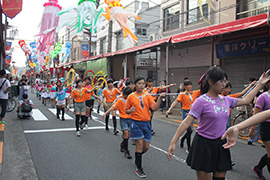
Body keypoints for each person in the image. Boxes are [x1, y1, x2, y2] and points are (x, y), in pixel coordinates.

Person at [167, 67, 270, 180]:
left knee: (220, 178)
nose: (224, 84)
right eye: (221, 81)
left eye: (225, 81)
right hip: (203, 144)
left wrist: (259, 84)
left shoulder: (226, 99)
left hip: (221, 144)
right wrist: (173, 142)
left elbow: (246, 100)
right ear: (210, 81)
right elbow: (187, 122)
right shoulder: (201, 101)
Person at [125, 77, 166, 178]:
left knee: (146, 147)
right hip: (136, 123)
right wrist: (131, 110)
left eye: (143, 84)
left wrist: (160, 98)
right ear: (135, 85)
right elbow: (126, 110)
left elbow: (154, 108)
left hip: (146, 123)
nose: (141, 85)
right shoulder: (131, 96)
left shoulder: (147, 96)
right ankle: (139, 168)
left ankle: (137, 157)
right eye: (139, 83)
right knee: (139, 145)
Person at [166, 79, 201, 153]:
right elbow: (176, 101)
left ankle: (182, 139)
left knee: (190, 131)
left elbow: (204, 91)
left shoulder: (194, 93)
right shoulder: (182, 94)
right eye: (188, 85)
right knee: (189, 129)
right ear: (185, 86)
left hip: (193, 112)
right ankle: (189, 147)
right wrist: (169, 109)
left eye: (190, 84)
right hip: (185, 112)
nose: (190, 86)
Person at [246, 80, 270, 180]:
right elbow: (256, 115)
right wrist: (253, 129)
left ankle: (258, 168)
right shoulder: (263, 97)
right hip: (266, 127)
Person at [102, 87, 133, 159]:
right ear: (124, 94)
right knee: (126, 134)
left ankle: (122, 144)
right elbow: (113, 107)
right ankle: (126, 151)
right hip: (123, 120)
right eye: (126, 95)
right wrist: (106, 113)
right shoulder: (120, 100)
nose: (127, 97)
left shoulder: (132, 100)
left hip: (131, 119)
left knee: (128, 136)